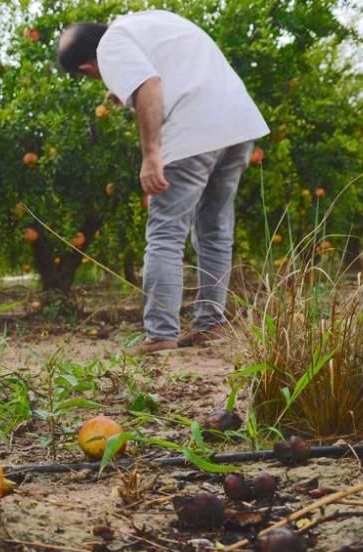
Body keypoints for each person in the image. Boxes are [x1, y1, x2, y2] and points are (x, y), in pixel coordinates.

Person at [56, 10, 269, 353]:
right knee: (215, 230)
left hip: (193, 129)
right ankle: (211, 325)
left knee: (166, 232)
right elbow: (173, 71)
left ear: (85, 68)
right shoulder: (148, 22)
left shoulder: (110, 46)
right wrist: (122, 90)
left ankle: (160, 334)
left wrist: (151, 153)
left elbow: (149, 85)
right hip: (237, 126)